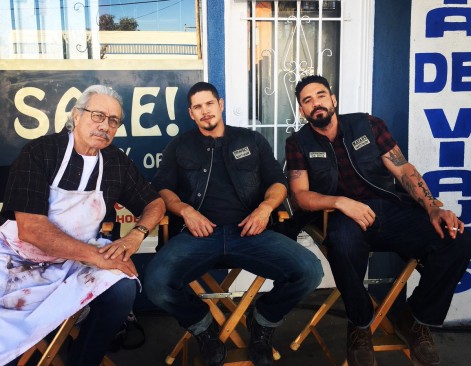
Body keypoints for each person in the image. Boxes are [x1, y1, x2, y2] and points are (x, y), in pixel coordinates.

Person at [285, 75, 471, 366]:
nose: (316, 103)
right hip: (344, 217)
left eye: (321, 95)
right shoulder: (298, 142)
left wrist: (431, 206)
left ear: (333, 99)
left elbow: (403, 169)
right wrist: (340, 202)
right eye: (307, 100)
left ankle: (415, 318)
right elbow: (300, 195)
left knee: (456, 240)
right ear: (301, 110)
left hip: (390, 208)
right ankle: (360, 325)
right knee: (341, 245)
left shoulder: (368, 125)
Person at [144, 82, 323, 366]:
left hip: (250, 233)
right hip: (197, 236)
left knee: (310, 271)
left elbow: (278, 182)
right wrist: (186, 211)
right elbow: (162, 188)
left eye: (209, 104)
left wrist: (265, 209)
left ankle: (262, 322)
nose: (205, 111)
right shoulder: (179, 146)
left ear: (221, 104)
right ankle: (204, 328)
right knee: (155, 283)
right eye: (198, 107)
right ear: (191, 113)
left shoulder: (251, 140)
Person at [0, 85, 165, 366]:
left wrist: (135, 236)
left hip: (75, 261)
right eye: (98, 115)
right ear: (76, 115)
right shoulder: (40, 152)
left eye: (113, 121)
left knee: (123, 289)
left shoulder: (115, 162)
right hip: (18, 258)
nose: (105, 126)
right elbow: (31, 228)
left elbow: (155, 204)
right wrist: (96, 257)